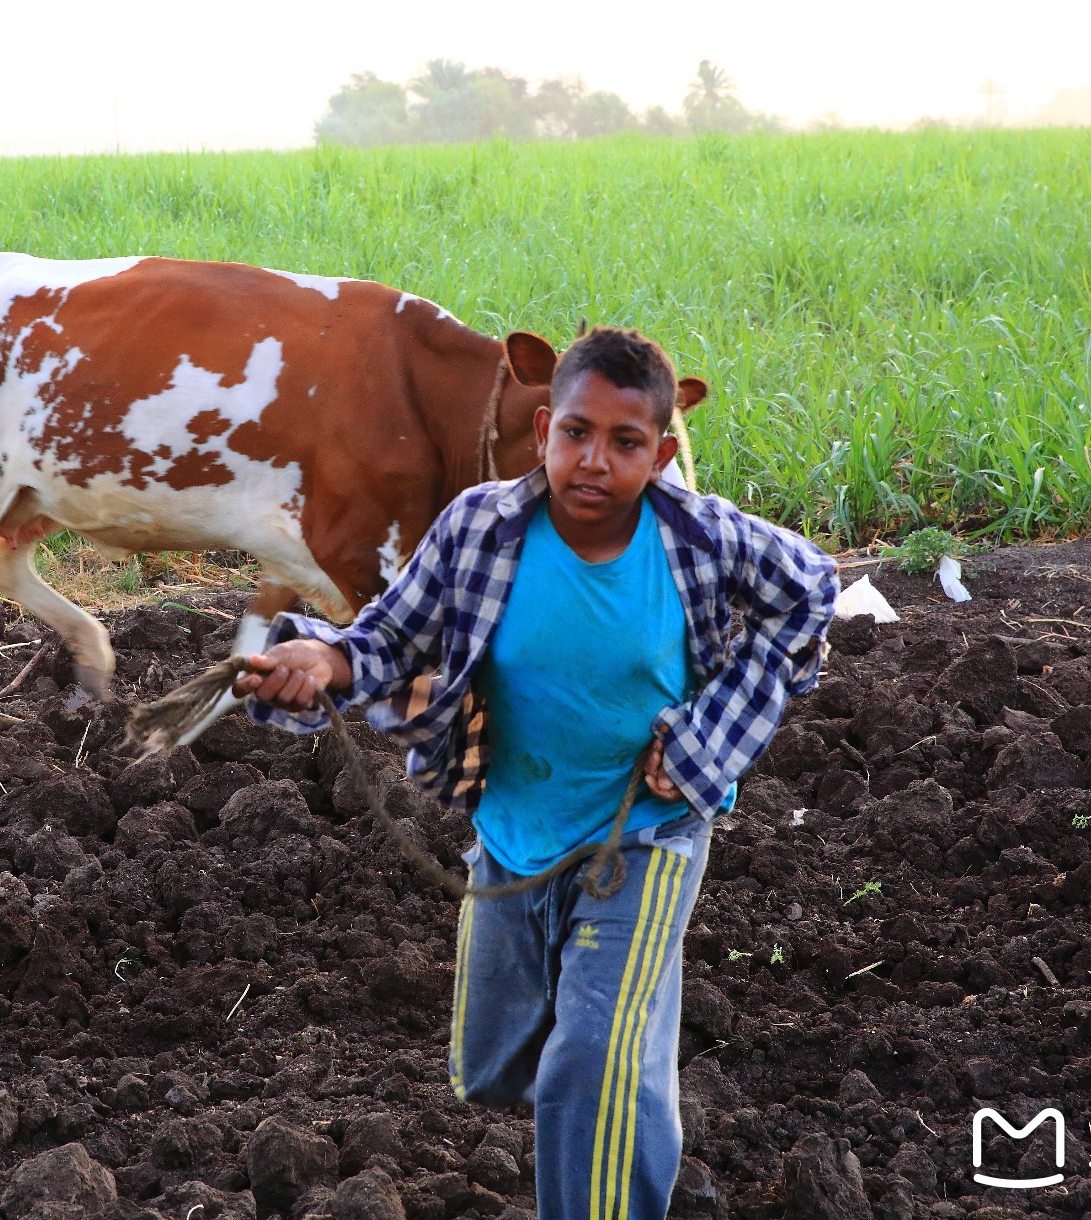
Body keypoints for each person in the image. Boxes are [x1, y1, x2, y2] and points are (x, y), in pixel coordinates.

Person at [233, 327, 838, 1220]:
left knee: (588, 1060)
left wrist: (714, 733)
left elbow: (812, 589)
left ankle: (608, 1158)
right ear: (543, 429)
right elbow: (389, 637)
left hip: (646, 835)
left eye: (627, 443)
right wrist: (322, 663)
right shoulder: (483, 527)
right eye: (577, 433)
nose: (595, 461)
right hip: (514, 833)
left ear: (663, 453)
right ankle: (628, 1115)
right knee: (494, 1067)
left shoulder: (701, 541)